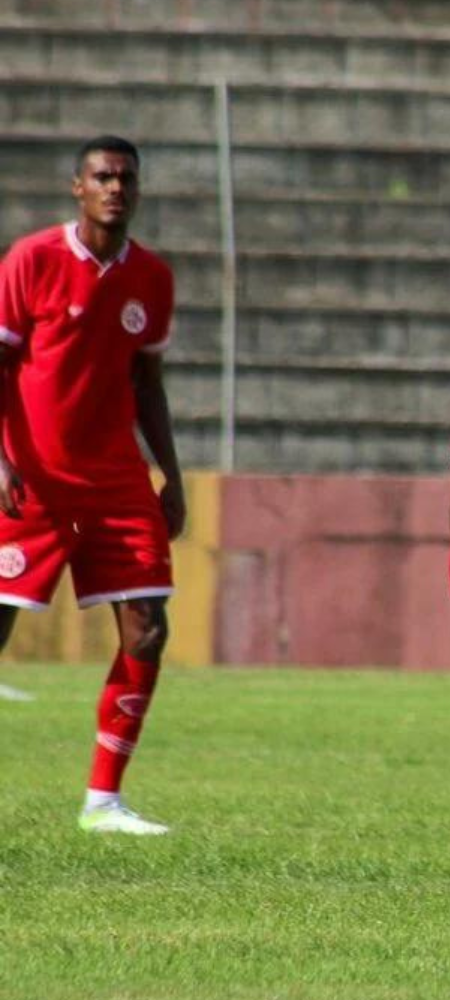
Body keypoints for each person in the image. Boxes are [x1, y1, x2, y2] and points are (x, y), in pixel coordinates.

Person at [0, 135, 184, 836]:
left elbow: (148, 384)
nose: (116, 187)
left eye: (126, 177)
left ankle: (103, 801)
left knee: (148, 628)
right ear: (78, 187)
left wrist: (169, 471)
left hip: (116, 483)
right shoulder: (31, 261)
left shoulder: (152, 279)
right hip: (34, 481)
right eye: (102, 176)